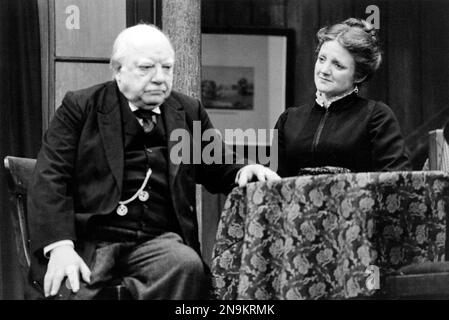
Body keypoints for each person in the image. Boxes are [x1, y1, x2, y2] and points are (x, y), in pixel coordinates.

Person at [27, 24, 280, 300]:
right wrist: (62, 248)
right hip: (90, 240)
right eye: (146, 68)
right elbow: (51, 176)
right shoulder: (81, 107)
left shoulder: (187, 111)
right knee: (71, 286)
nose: (160, 78)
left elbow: (216, 163)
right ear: (118, 70)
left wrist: (244, 168)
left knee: (185, 265)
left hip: (156, 242)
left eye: (167, 68)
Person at [274, 18, 411, 177]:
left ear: (358, 76)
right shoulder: (289, 119)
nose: (324, 70)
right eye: (322, 59)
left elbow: (397, 179)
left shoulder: (376, 117)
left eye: (338, 65)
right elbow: (271, 180)